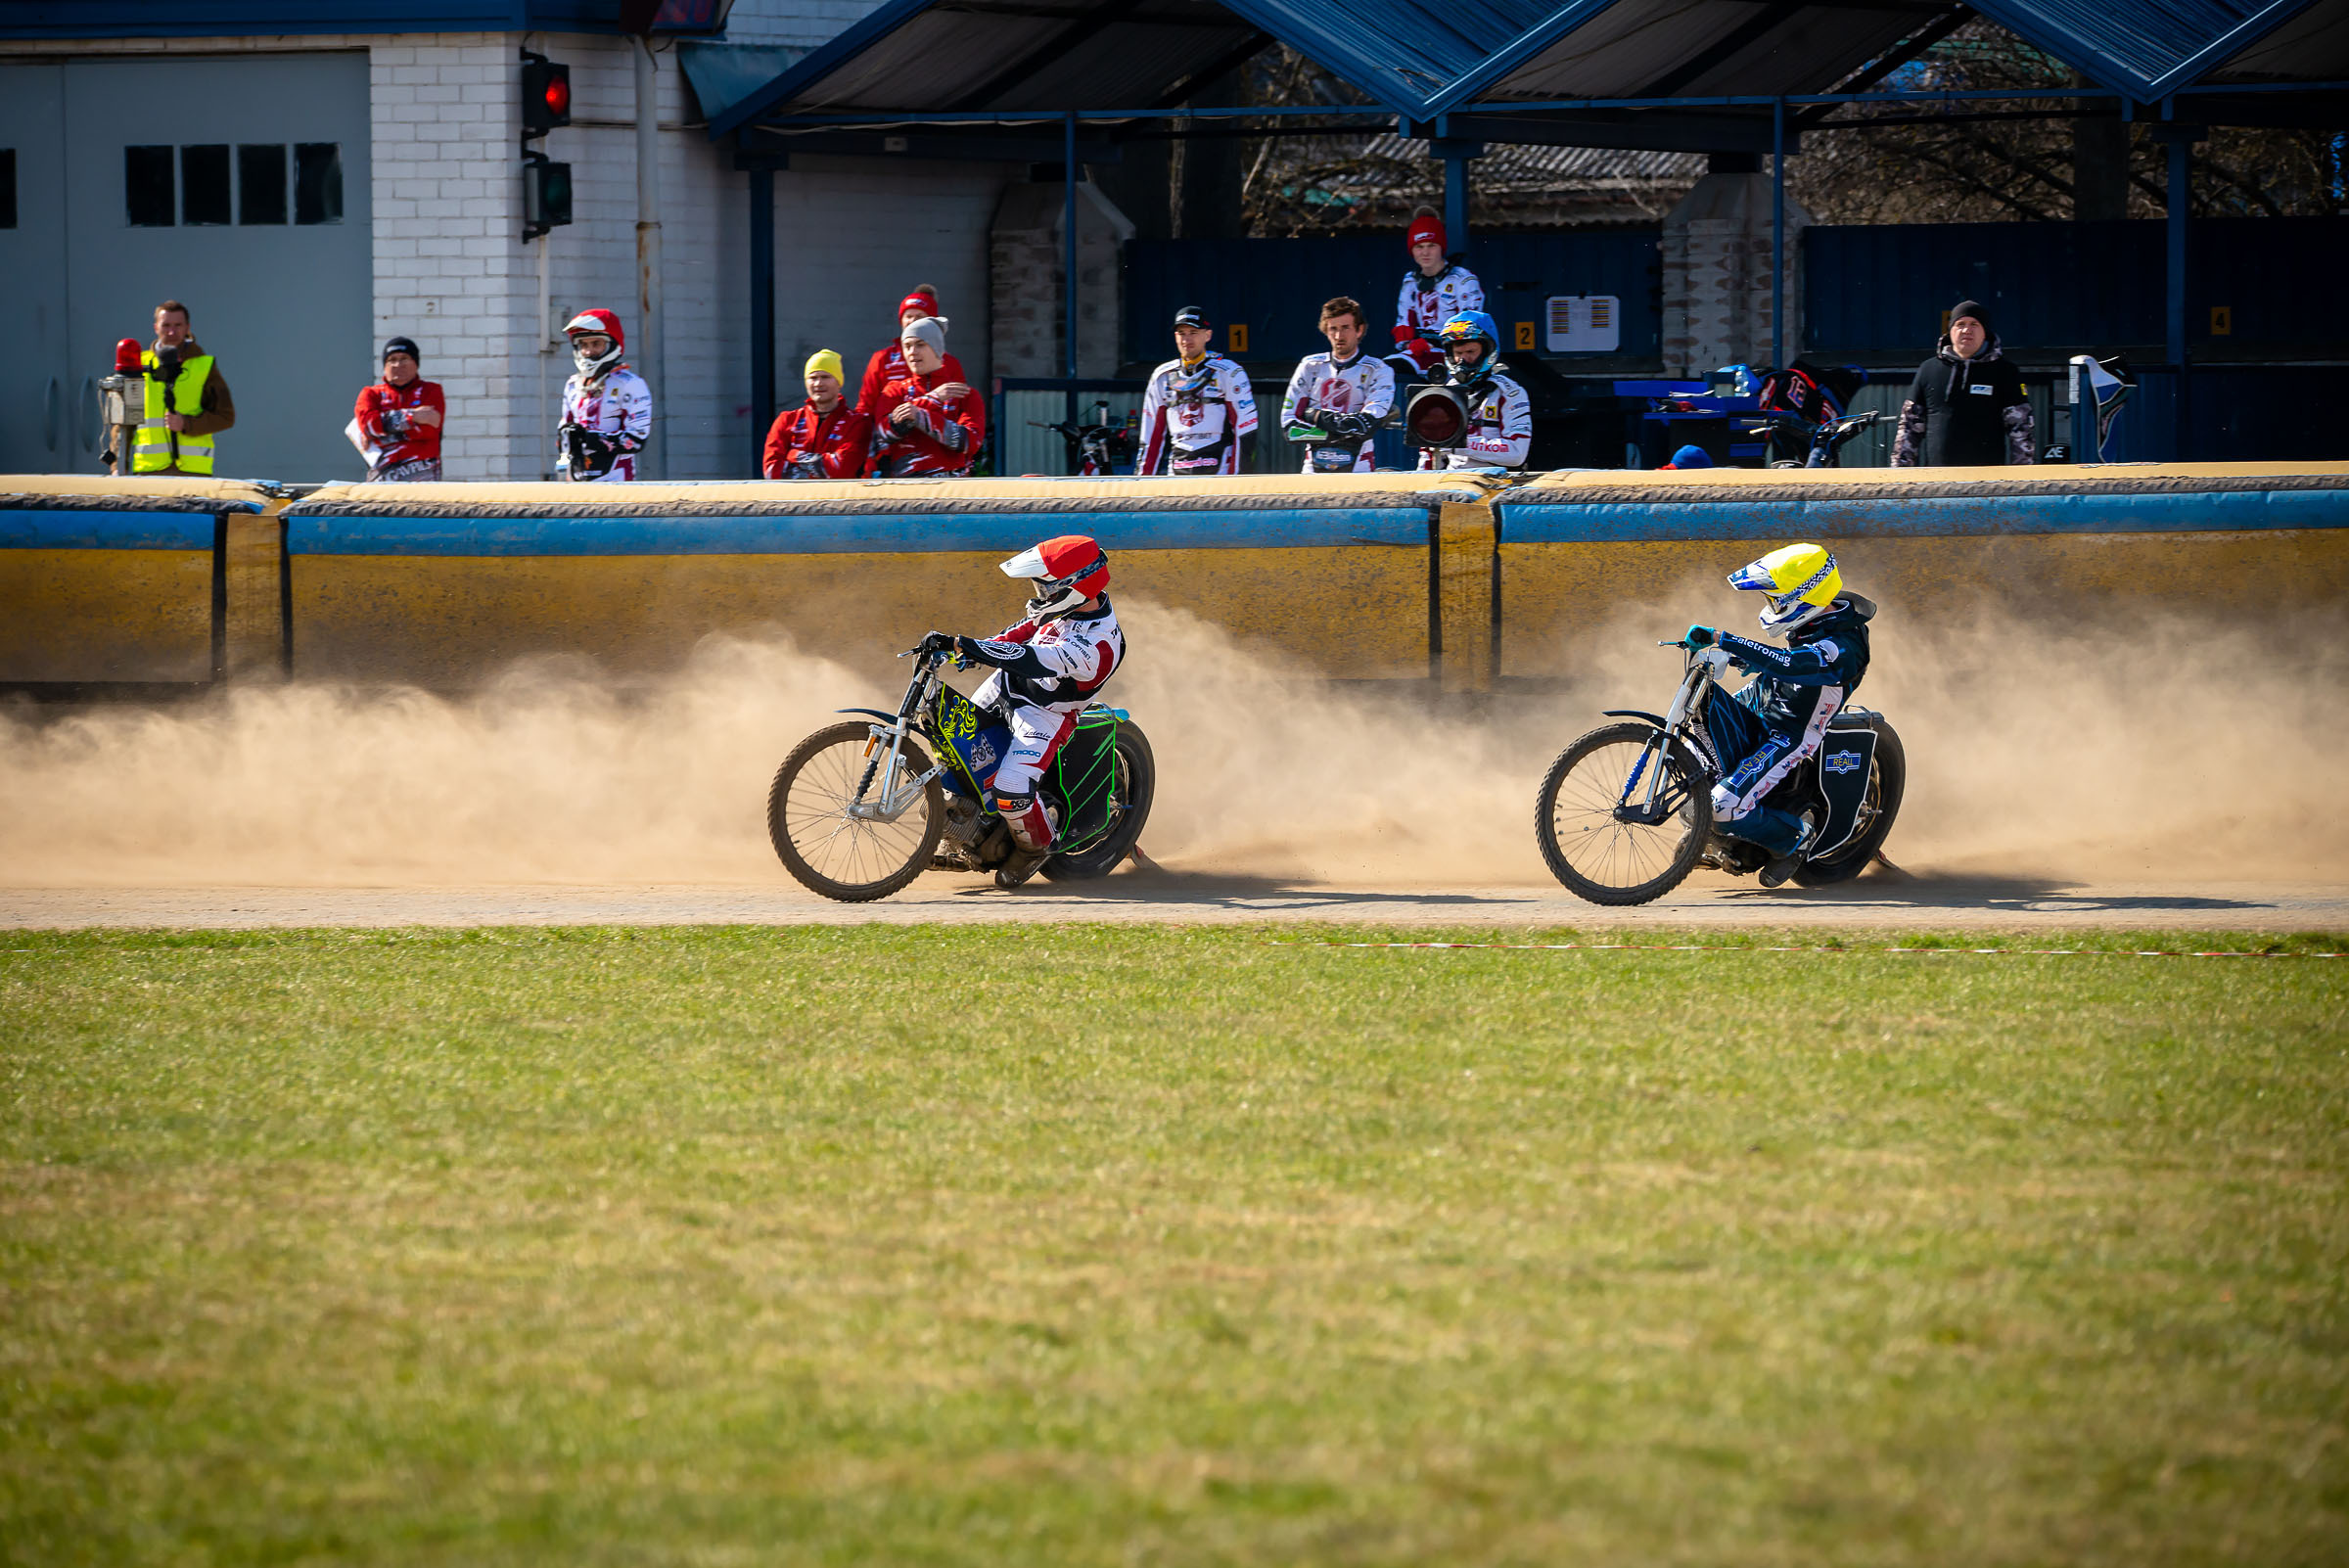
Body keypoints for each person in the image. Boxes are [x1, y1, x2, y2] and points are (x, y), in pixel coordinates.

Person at [917, 534, 1124, 888]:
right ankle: (964, 829)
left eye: (1046, 587)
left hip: (1046, 714)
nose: (1039, 594)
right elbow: (1020, 633)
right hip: (1005, 687)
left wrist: (965, 645)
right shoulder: (1064, 609)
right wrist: (965, 652)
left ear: (1075, 585)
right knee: (956, 748)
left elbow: (1031, 660)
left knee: (1010, 788)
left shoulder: (1098, 642)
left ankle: (1035, 848)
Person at [1682, 542, 1875, 887]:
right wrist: (1737, 659)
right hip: (1766, 704)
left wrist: (1723, 639)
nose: (1772, 607)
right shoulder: (1818, 619)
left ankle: (1794, 839)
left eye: (1776, 600)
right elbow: (1782, 665)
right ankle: (1721, 834)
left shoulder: (1844, 646)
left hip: (1791, 734)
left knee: (1722, 807)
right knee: (1691, 755)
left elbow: (1788, 663)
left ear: (1805, 596)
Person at [1891, 300, 2034, 467]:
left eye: (1974, 324)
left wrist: (2022, 475)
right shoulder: (1928, 369)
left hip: (1988, 478)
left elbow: (2021, 429)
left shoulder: (2005, 371)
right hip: (1937, 477)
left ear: (1985, 332)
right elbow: (1909, 427)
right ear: (1950, 331)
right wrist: (1900, 473)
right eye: (1960, 324)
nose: (1967, 330)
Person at [1280, 296, 1396, 474]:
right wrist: (1341, 430)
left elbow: (1365, 425)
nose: (1338, 336)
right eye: (1333, 329)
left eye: (1345, 328)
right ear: (1325, 330)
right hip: (1313, 470)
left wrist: (1316, 416)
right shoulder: (1310, 366)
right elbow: (1290, 427)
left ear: (1359, 330)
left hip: (1359, 469)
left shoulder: (1378, 370)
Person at [1138, 306, 1258, 477]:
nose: (1186, 339)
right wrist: (1141, 480)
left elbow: (1245, 429)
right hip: (1177, 470)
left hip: (1220, 471)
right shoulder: (1162, 376)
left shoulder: (1228, 372)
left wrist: (1238, 477)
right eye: (1181, 333)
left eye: (1193, 332)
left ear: (1207, 335)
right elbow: (1151, 435)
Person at [128, 300, 236, 476]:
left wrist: (186, 424)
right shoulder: (139, 365)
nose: (172, 332)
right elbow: (124, 421)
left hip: (193, 471)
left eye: (178, 325)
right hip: (149, 470)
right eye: (166, 325)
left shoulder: (204, 365)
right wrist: (117, 465)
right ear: (156, 327)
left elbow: (226, 417)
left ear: (187, 327)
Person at [868, 315, 985, 478]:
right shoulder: (894, 390)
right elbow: (884, 434)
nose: (912, 352)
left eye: (920, 344)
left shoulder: (965, 394)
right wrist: (933, 399)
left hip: (953, 488)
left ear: (937, 349)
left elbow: (969, 443)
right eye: (907, 346)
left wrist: (918, 415)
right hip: (906, 488)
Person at [1417, 311, 1530, 471]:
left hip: (1496, 480)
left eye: (1470, 352)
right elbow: (1428, 455)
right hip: (1451, 480)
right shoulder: (1445, 393)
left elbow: (1517, 453)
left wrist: (1459, 443)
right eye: (1458, 353)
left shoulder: (1509, 393)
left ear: (1487, 351)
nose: (1463, 360)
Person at [556, 308, 651, 483]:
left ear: (612, 345)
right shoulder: (572, 385)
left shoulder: (630, 384)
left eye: (596, 344)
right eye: (583, 345)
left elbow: (637, 439)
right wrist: (568, 437)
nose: (588, 351)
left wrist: (590, 438)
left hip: (615, 481)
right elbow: (563, 434)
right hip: (575, 480)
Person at [1391, 208, 1484, 384]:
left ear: (1441, 247)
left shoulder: (1463, 280)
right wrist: (1411, 344)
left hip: (1455, 355)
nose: (1425, 252)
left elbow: (1471, 327)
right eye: (1419, 247)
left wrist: (1436, 343)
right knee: (1386, 369)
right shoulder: (1410, 282)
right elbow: (1403, 325)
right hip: (1419, 353)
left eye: (1431, 245)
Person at [857, 285, 968, 419]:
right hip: (893, 427)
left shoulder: (950, 363)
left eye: (920, 316)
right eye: (908, 316)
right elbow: (866, 407)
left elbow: (963, 405)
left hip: (939, 427)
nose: (913, 321)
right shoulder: (882, 358)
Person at [762, 349, 873, 479]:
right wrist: (820, 467)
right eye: (813, 378)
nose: (818, 383)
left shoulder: (857, 422)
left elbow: (842, 469)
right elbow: (771, 470)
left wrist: (794, 455)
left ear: (839, 383)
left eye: (825, 377)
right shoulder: (787, 420)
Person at [348, 336, 445, 483]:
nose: (398, 364)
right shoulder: (370, 394)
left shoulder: (432, 391)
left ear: (416, 363)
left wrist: (379, 434)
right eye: (391, 359)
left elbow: (429, 430)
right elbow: (368, 425)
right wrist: (412, 416)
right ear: (384, 367)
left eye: (404, 358)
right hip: (381, 484)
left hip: (424, 483)